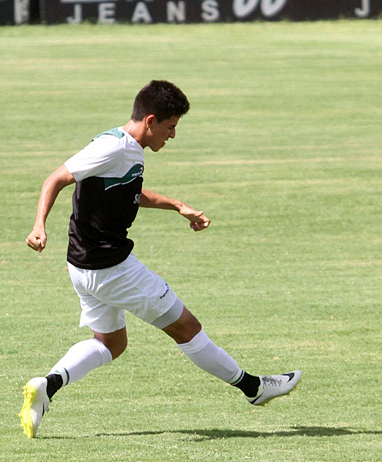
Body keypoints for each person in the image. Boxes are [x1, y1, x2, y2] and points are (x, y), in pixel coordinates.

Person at [19, 80, 301, 439]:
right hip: (113, 270)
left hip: (82, 268)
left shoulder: (125, 146)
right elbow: (56, 178)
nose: (172, 136)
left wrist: (176, 205)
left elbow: (130, 192)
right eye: (170, 128)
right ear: (151, 121)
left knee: (110, 344)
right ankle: (254, 387)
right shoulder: (113, 148)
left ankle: (47, 386)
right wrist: (38, 225)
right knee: (186, 327)